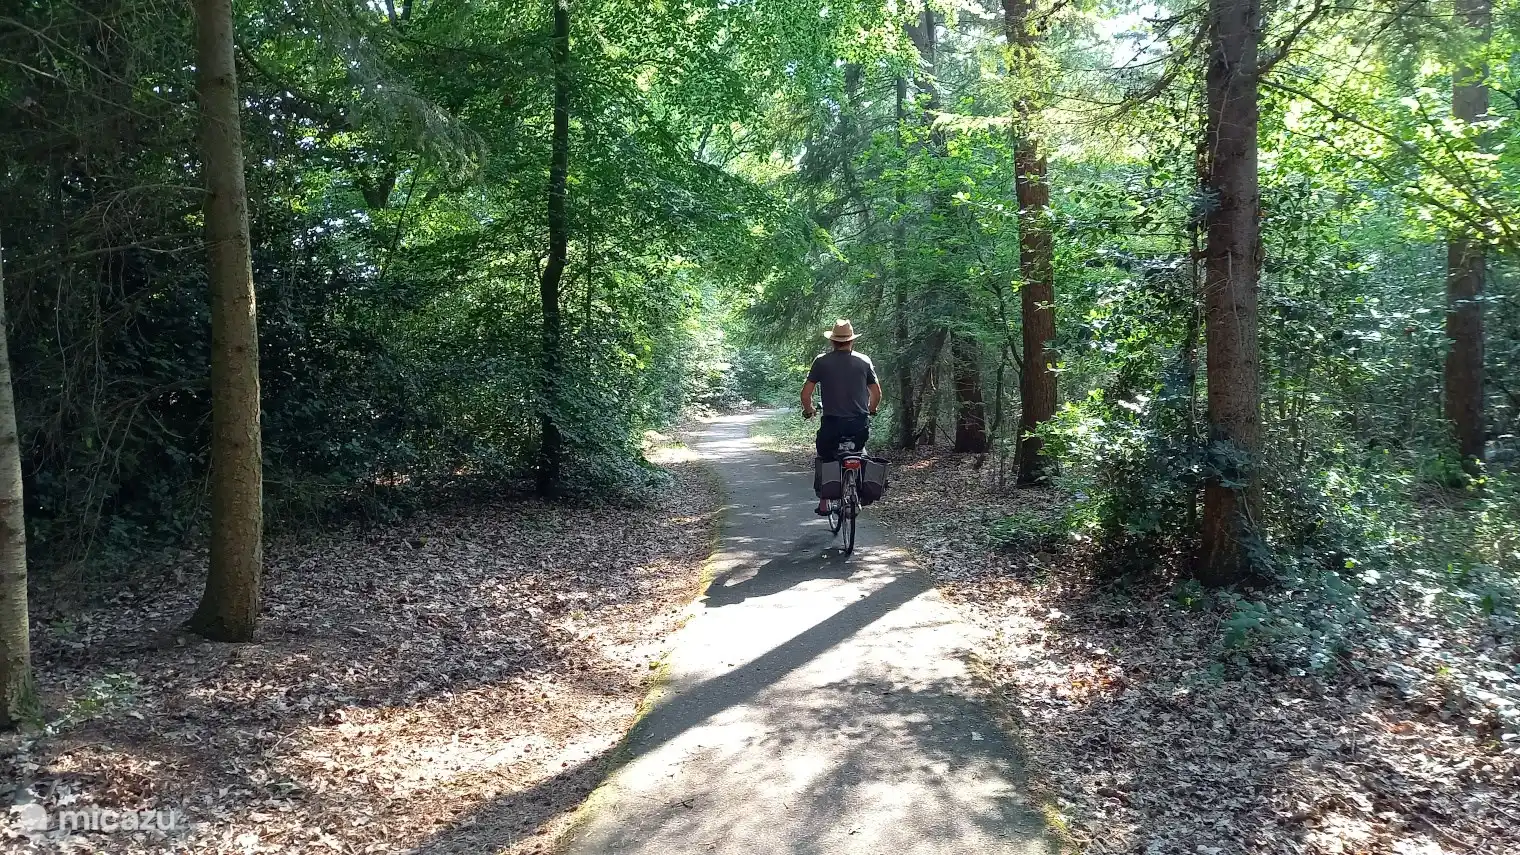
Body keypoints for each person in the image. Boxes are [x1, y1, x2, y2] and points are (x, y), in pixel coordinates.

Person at [801, 319, 881, 515]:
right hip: (858, 424)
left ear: (833, 341)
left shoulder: (821, 361)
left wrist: (809, 410)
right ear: (851, 341)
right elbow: (876, 393)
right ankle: (862, 492)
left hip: (832, 425)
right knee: (860, 451)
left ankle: (825, 501)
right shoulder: (864, 361)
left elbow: (806, 394)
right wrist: (871, 409)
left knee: (825, 454)